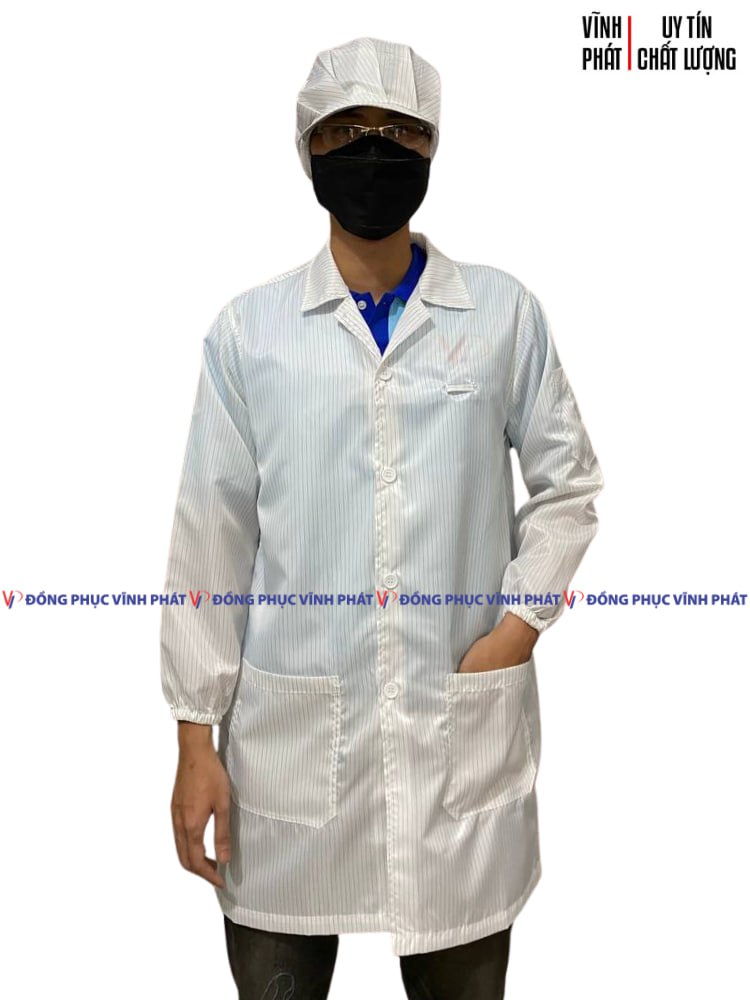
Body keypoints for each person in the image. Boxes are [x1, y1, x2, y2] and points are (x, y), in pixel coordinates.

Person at [160, 35, 604, 1000]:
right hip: (287, 761)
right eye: (346, 130)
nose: (373, 151)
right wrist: (195, 740)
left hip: (457, 742)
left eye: (398, 130)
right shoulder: (250, 334)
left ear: (432, 147)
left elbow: (568, 485)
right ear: (309, 150)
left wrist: (516, 631)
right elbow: (210, 542)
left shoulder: (502, 315)